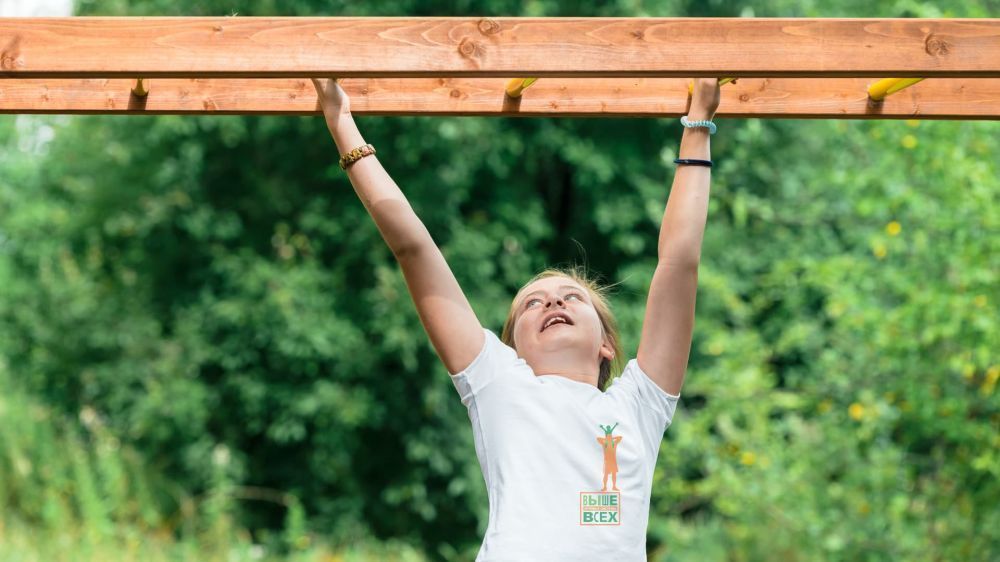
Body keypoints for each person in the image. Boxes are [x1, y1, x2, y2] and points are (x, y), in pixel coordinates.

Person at [313, 76, 721, 561]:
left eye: (572, 297)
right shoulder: (500, 383)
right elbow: (413, 248)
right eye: (533, 303)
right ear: (514, 349)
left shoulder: (639, 407)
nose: (552, 303)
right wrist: (341, 121)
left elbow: (679, 264)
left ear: (606, 344)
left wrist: (698, 122)